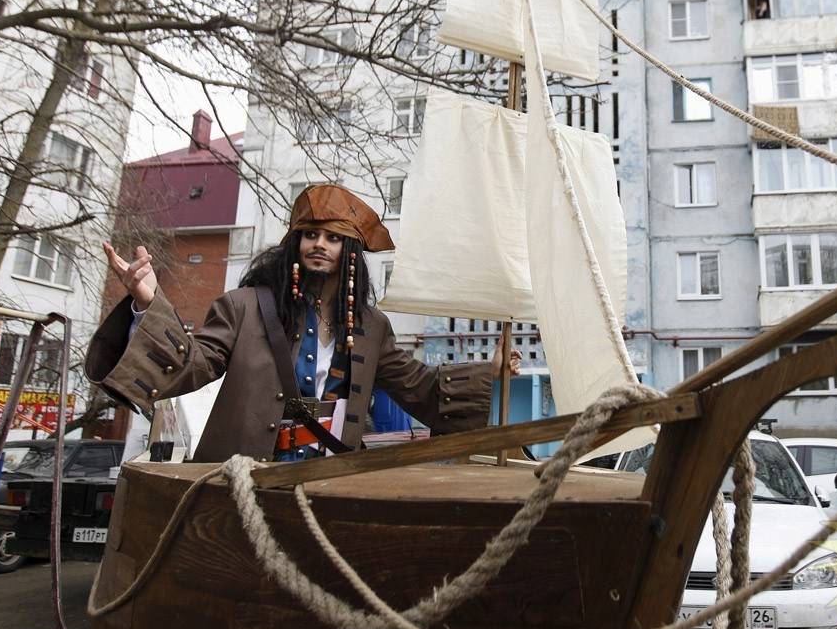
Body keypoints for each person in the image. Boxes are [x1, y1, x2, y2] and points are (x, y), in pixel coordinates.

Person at [87, 184, 521, 463]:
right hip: (248, 476)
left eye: (333, 238)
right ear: (296, 243)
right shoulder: (242, 307)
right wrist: (148, 302)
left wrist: (491, 369)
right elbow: (193, 365)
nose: (320, 244)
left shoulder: (372, 326)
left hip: (331, 474)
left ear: (349, 252)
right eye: (311, 234)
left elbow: (421, 388)